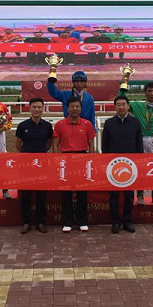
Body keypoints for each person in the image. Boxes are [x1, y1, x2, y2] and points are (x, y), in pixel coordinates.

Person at [119, 80, 153, 205]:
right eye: (149, 91)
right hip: (140, 141)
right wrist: (123, 85)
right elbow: (122, 99)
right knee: (141, 169)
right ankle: (140, 196)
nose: (151, 93)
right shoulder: (138, 106)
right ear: (145, 93)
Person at [52, 96, 96, 233]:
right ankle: (68, 222)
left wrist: (91, 159)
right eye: (72, 106)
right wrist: (57, 160)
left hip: (82, 158)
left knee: (82, 192)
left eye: (77, 106)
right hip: (65, 159)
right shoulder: (60, 124)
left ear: (80, 108)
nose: (75, 109)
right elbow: (55, 144)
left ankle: (82, 221)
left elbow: (91, 144)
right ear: (67, 108)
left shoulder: (87, 124)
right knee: (66, 193)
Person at [102, 95, 143, 233]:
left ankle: (127, 221)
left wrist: (140, 160)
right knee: (113, 196)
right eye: (118, 105)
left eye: (123, 104)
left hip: (130, 165)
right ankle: (115, 221)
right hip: (113, 165)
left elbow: (139, 143)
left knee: (129, 195)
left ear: (128, 105)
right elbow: (105, 145)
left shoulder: (135, 122)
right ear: (115, 107)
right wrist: (106, 161)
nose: (121, 107)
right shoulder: (109, 123)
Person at [15, 97, 53, 234]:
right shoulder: (23, 126)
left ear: (42, 109)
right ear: (29, 108)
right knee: (26, 195)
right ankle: (26, 222)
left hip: (42, 165)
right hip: (26, 165)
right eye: (34, 107)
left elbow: (49, 144)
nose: (37, 110)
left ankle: (40, 222)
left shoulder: (47, 126)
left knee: (41, 195)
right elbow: (18, 144)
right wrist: (27, 155)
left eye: (39, 107)